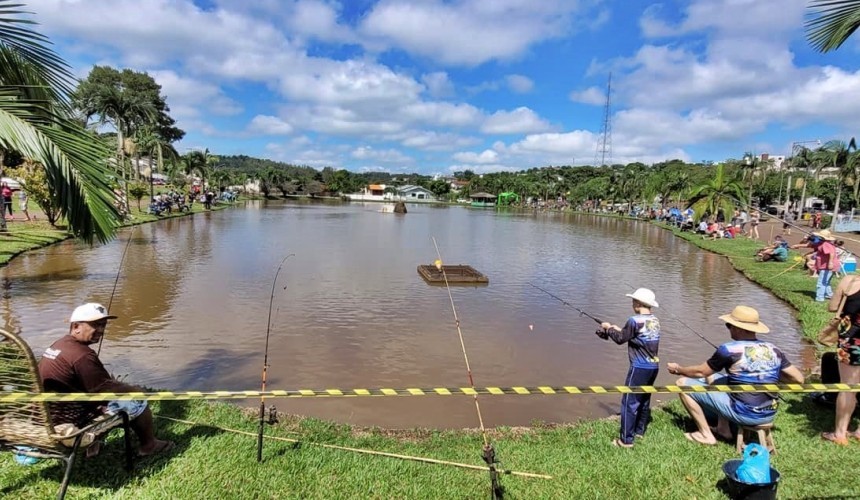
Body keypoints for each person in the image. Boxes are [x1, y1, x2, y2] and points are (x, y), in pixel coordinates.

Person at [38, 303, 175, 456]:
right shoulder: (82, 355)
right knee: (136, 400)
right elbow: (104, 389)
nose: (101, 331)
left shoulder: (58, 345)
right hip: (67, 428)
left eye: (103, 325)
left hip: (47, 420)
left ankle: (93, 446)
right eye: (95, 325)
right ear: (76, 326)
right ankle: (149, 446)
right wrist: (135, 390)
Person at [666, 305, 804, 445]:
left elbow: (700, 372)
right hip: (769, 413)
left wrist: (678, 369)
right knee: (715, 378)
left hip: (746, 414)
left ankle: (706, 435)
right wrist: (768, 375)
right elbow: (798, 379)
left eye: (729, 325)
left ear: (738, 328)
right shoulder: (774, 349)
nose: (728, 328)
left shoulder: (729, 349)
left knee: (682, 383)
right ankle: (723, 429)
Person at [595, 288, 661, 448]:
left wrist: (608, 328)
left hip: (639, 367)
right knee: (644, 400)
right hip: (653, 366)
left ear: (638, 303)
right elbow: (635, 336)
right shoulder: (654, 320)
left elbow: (620, 339)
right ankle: (639, 431)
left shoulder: (634, 320)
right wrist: (618, 329)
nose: (632, 304)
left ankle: (625, 440)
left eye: (633, 301)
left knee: (629, 402)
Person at [822, 275, 860, 444]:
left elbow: (833, 307)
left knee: (848, 387)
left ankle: (840, 433)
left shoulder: (850, 281)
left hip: (852, 341)